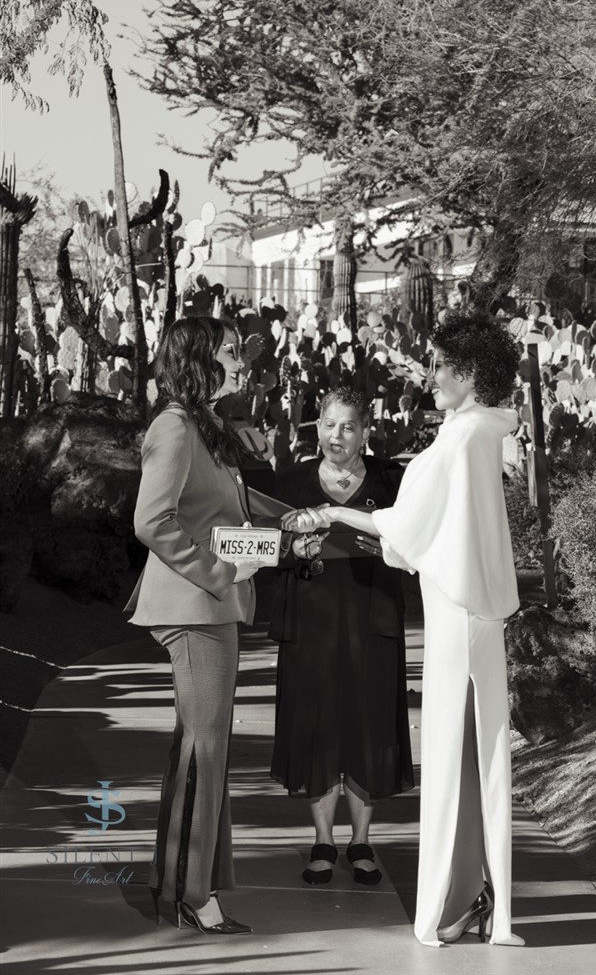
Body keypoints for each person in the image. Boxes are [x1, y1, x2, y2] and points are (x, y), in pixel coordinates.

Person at [283, 313, 526, 947]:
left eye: (442, 365)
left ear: (469, 373)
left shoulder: (461, 439)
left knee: (452, 762)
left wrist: (333, 513)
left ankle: (455, 901)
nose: (432, 376)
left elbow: (403, 527)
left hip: (457, 617)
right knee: (477, 762)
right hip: (472, 617)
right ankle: (478, 899)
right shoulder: (477, 433)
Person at [125, 316, 261, 935]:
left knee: (199, 749)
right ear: (199, 359)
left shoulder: (202, 425)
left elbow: (224, 509)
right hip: (195, 610)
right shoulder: (175, 426)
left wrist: (298, 521)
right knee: (206, 752)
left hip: (209, 609)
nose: (239, 360)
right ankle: (193, 894)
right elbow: (151, 520)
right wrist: (218, 572)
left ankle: (181, 887)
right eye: (229, 351)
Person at [270, 387, 414, 885]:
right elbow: (267, 546)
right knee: (317, 730)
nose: (337, 435)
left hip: (373, 620)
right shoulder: (290, 481)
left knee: (368, 728)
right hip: (309, 624)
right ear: (317, 428)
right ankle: (323, 841)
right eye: (329, 425)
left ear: (365, 432)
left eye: (348, 426)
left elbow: (412, 540)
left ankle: (362, 842)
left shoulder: (392, 480)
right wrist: (293, 549)